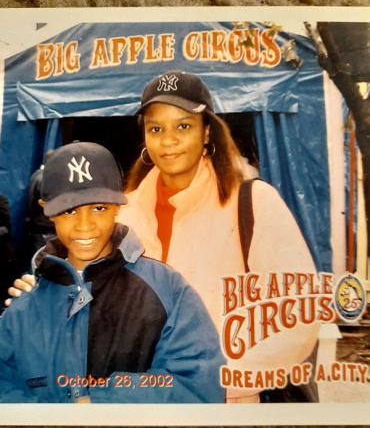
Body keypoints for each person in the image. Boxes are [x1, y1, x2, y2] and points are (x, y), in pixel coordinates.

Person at [7, 71, 320, 403]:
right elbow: (91, 297)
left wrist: (206, 382)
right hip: (138, 405)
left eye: (183, 126)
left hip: (232, 409)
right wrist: (44, 296)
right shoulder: (123, 214)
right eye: (156, 128)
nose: (168, 140)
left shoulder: (254, 203)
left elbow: (299, 316)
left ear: (207, 131)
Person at [0, 141, 224, 403]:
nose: (85, 226)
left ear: (118, 206)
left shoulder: (166, 288)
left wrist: (100, 403)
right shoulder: (23, 306)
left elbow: (200, 385)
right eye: (69, 210)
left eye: (99, 208)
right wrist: (55, 420)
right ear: (47, 210)